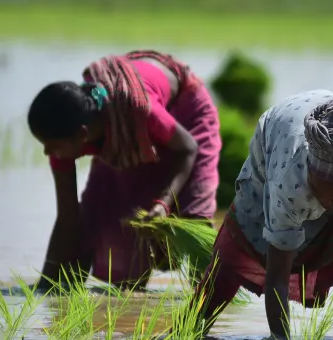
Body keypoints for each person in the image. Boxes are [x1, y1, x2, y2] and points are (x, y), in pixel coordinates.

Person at [190, 89, 333, 340]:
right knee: (236, 251)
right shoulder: (289, 180)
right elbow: (277, 276)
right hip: (276, 141)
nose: (327, 201)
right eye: (319, 189)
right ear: (310, 172)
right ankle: (187, 333)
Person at [26, 50, 222, 292]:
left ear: (83, 136)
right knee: (105, 216)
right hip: (126, 124)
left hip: (185, 112)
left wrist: (164, 202)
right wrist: (45, 284)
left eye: (52, 146)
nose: (47, 152)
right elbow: (68, 217)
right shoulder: (69, 132)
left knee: (194, 217)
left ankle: (210, 301)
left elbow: (188, 148)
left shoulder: (140, 110)